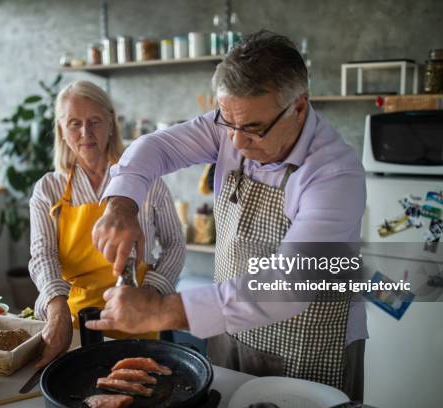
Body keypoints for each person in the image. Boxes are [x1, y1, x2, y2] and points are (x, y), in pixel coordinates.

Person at [88, 31, 367, 400]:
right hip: (231, 323)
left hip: (309, 340)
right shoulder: (233, 124)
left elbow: (290, 284)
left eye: (253, 129)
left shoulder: (334, 173)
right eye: (227, 123)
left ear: (299, 107)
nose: (235, 143)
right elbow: (154, 146)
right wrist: (122, 203)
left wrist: (161, 310)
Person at [28, 80, 185, 369]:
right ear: (61, 130)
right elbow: (42, 254)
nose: (85, 133)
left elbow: (174, 243)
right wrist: (56, 309)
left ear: (111, 124)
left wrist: (153, 291)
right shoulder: (48, 189)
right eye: (74, 123)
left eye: (94, 122)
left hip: (137, 311)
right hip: (75, 322)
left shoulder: (147, 181)